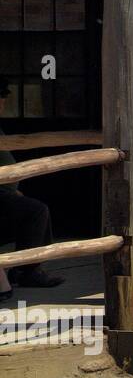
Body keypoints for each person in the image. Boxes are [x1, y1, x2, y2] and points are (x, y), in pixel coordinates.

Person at [0, 77, 63, 297]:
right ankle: (29, 269)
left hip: (5, 191)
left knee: (36, 209)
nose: (3, 102)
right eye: (1, 97)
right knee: (36, 210)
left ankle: (27, 267)